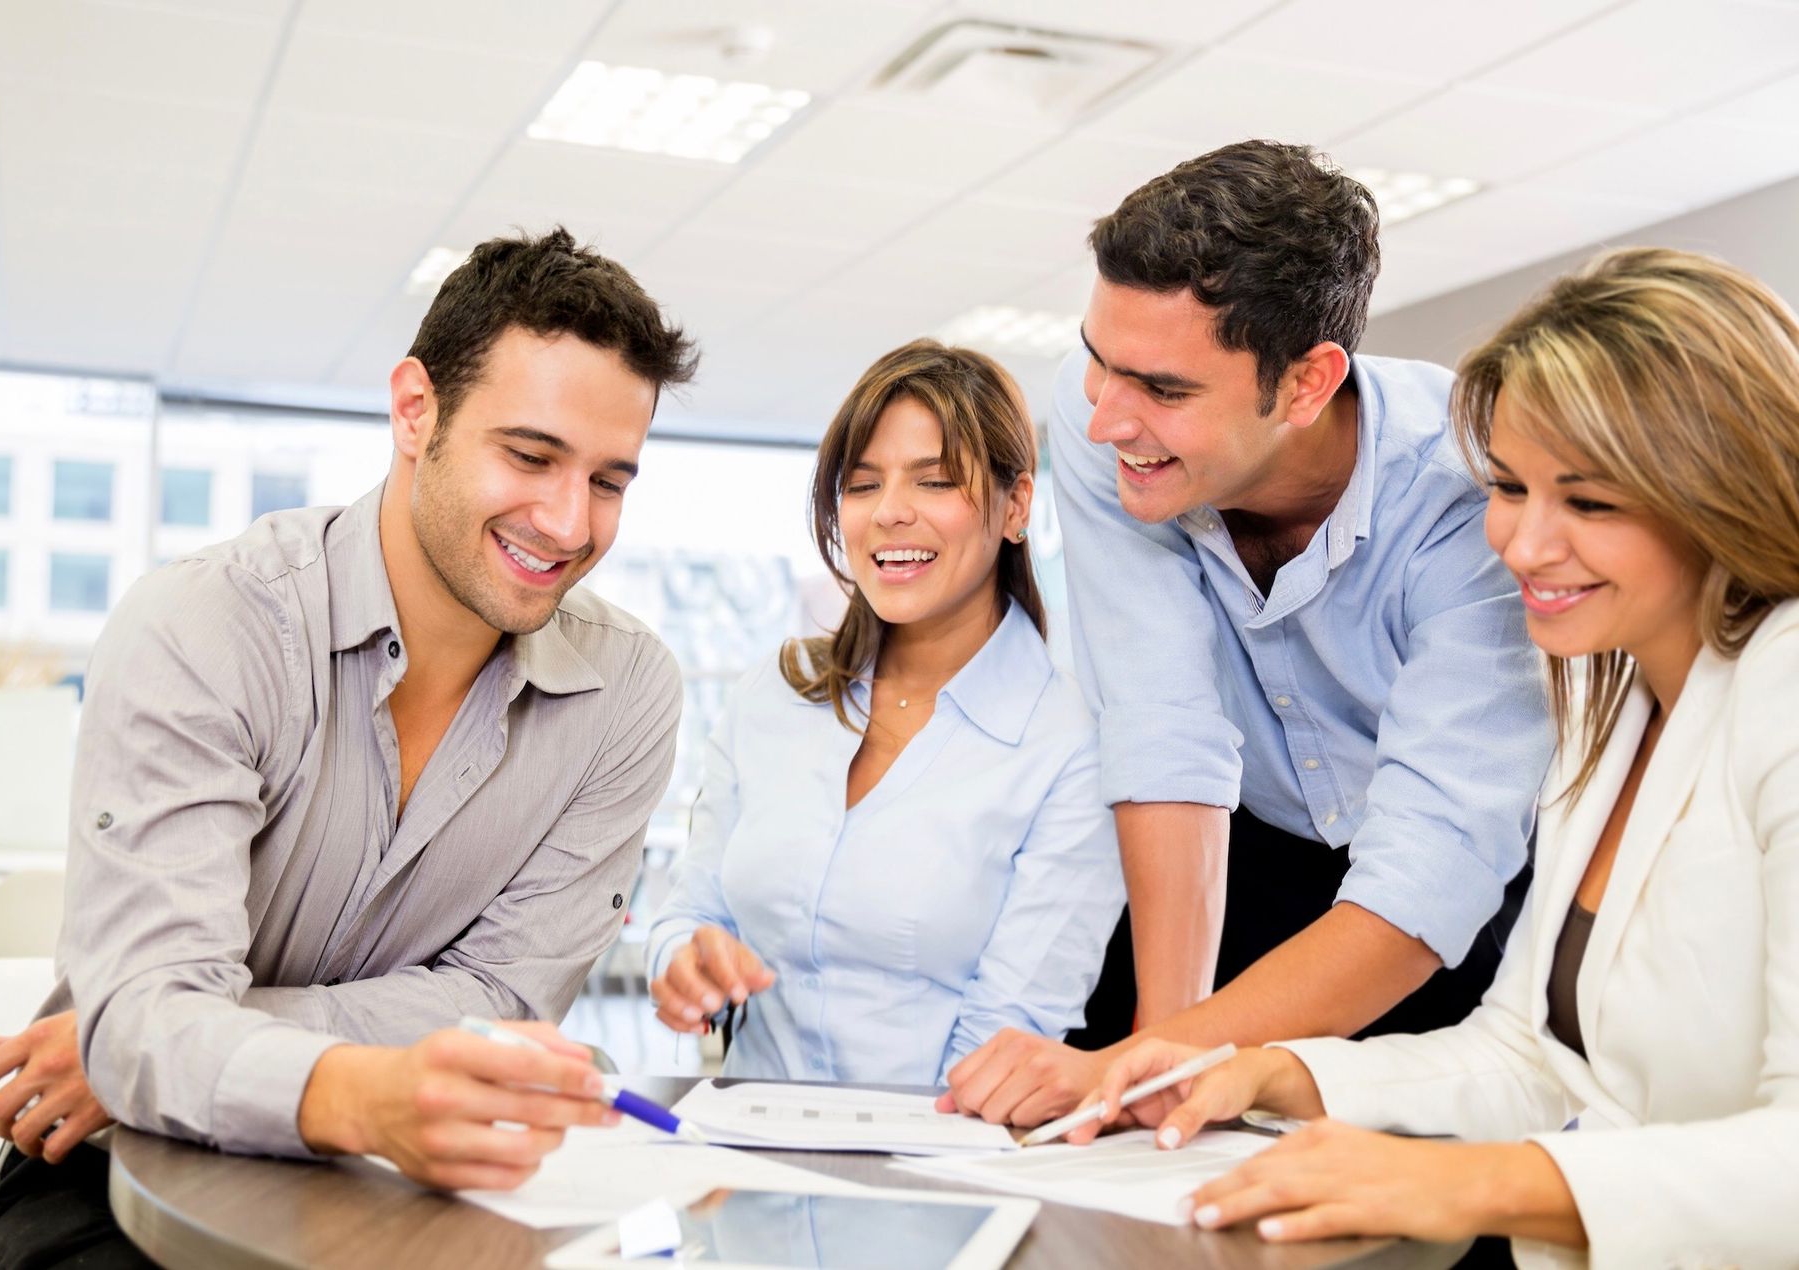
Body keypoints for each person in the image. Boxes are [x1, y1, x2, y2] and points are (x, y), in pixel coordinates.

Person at [0, 228, 696, 1268]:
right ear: (414, 410)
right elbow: (156, 1022)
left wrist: (165, 1038)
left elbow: (509, 1002)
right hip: (121, 1167)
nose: (568, 521)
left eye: (610, 480)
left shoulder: (626, 693)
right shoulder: (207, 626)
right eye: (529, 455)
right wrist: (287, 1067)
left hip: (415, 1184)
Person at [1076, 247, 1799, 1269]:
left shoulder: (1786, 695)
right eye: (1509, 487)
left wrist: (1457, 1181)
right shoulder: (1617, 706)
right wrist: (1277, 1071)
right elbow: (1525, 1055)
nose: (1522, 544)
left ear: (1717, 487)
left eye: (1587, 503)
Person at [942, 140, 1551, 1126]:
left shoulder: (1467, 490)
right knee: (1133, 1120)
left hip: (1431, 896)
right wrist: (1149, 1068)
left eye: (1165, 390)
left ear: (1308, 383)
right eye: (1102, 363)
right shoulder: (1106, 418)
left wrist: (1149, 1061)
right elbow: (1163, 722)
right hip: (1239, 846)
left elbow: (1430, 868)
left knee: (1411, 1177)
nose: (1107, 423)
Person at [646, 340, 1123, 1085]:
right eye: (863, 486)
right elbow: (691, 909)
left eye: (934, 482)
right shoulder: (773, 694)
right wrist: (682, 960)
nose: (890, 513)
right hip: (749, 1155)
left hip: (942, 1168)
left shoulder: (1070, 746)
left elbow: (1009, 1034)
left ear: (1017, 506)